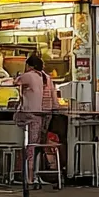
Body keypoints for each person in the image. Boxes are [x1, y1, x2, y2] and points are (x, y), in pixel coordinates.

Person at [15, 54, 56, 183]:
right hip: (43, 114)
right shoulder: (45, 77)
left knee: (30, 144)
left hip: (30, 114)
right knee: (37, 143)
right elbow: (54, 99)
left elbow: (15, 81)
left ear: (29, 65)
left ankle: (29, 175)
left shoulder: (29, 75)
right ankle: (35, 173)